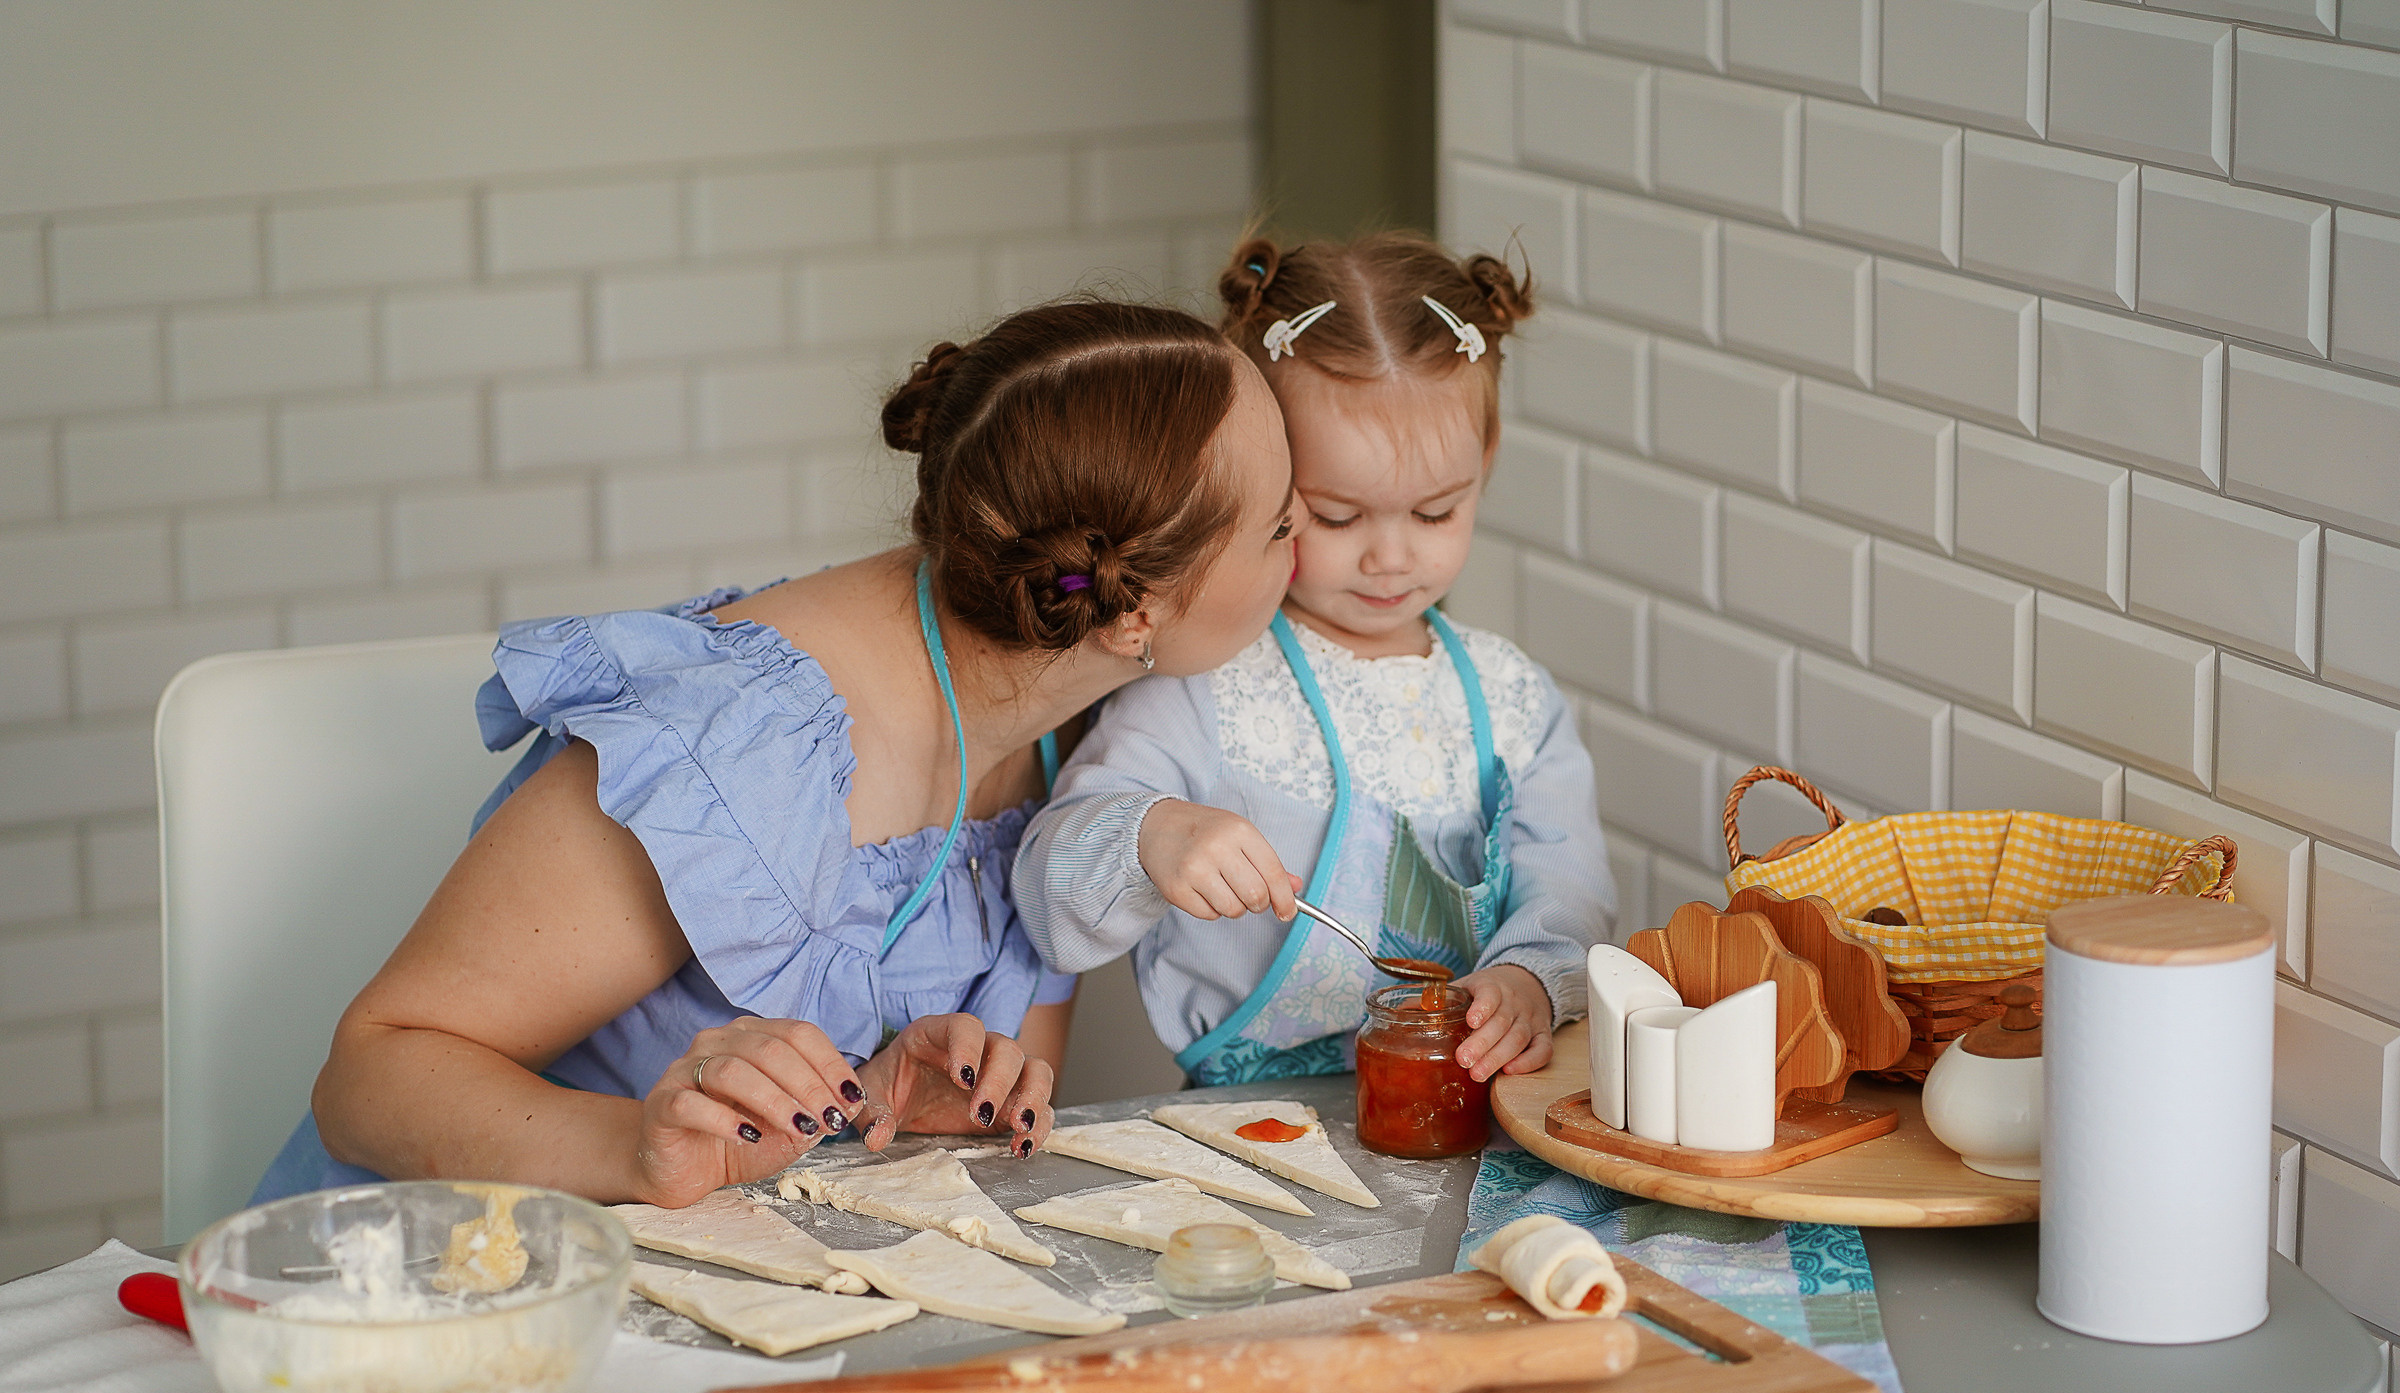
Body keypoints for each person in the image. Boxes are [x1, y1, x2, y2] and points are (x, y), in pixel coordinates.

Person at [251, 299, 1298, 1209]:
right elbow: (371, 1079)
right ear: (1136, 608)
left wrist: (902, 1101)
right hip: (426, 1304)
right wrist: (640, 1146)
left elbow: (885, 1155)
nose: (1314, 555)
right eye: (1286, 524)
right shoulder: (740, 743)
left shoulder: (1085, 741)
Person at [1013, 233, 1616, 1088]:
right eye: (1337, 518)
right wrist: (1149, 833)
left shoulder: (1514, 700)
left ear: (1484, 465)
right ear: (1264, 483)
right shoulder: (1203, 684)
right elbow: (1046, 895)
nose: (1391, 559)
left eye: (1437, 512)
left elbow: (1572, 891)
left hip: (1473, 1105)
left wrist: (1531, 980)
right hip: (1256, 1126)